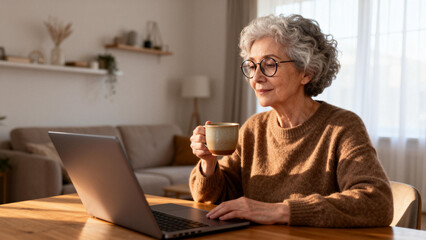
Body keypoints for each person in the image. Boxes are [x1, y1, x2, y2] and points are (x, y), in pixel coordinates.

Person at [189, 14, 393, 227]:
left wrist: (280, 211)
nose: (256, 77)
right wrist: (209, 162)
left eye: (269, 64)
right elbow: (212, 199)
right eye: (251, 65)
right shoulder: (253, 129)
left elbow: (377, 202)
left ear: (306, 73)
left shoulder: (342, 127)